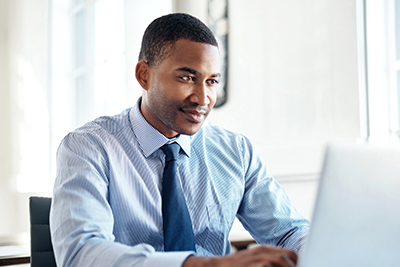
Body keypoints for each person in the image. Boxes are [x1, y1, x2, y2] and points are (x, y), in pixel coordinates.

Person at [50, 13, 309, 267]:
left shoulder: (235, 151)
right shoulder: (88, 147)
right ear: (144, 75)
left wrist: (317, 249)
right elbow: (81, 254)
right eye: (187, 78)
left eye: (212, 81)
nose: (203, 98)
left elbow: (289, 231)